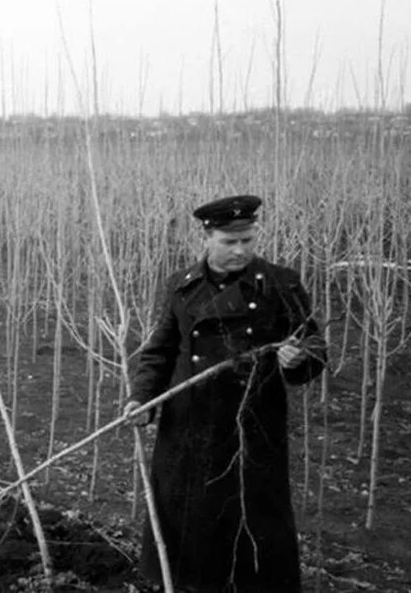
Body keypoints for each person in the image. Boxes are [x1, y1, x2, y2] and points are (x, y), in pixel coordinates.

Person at [124, 194, 326, 592]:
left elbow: (314, 347)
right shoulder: (182, 286)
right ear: (207, 238)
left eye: (248, 240)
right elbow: (161, 350)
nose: (241, 251)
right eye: (229, 242)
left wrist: (295, 359)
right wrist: (141, 397)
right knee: (187, 516)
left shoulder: (280, 284)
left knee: (252, 520)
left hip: (251, 424)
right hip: (187, 422)